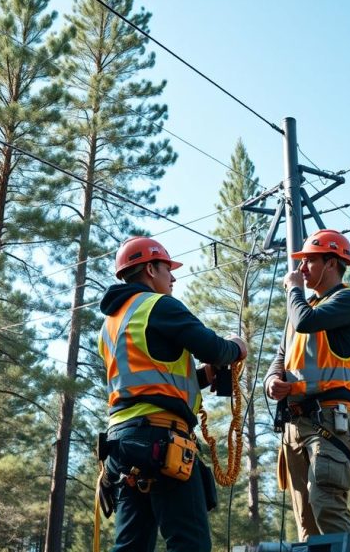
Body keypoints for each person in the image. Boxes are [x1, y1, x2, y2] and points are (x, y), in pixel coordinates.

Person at [98, 236, 247, 552]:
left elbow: (147, 383)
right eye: (168, 269)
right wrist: (236, 347)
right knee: (188, 544)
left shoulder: (110, 325)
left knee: (130, 547)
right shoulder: (158, 305)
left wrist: (203, 377)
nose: (174, 277)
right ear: (150, 269)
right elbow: (214, 348)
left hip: (123, 447)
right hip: (163, 442)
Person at [263, 229, 350, 541]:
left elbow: (306, 321)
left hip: (328, 421)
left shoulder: (347, 300)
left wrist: (293, 290)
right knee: (306, 524)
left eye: (309, 261)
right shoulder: (303, 306)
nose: (301, 269)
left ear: (332, 263)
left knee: (327, 507)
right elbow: (280, 356)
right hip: (295, 424)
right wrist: (272, 381)